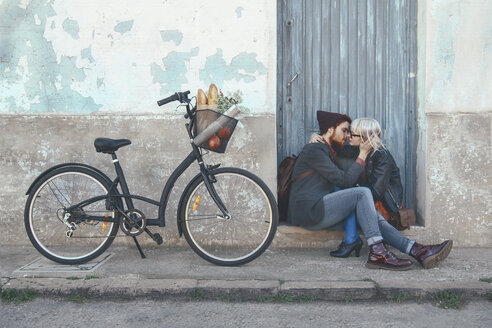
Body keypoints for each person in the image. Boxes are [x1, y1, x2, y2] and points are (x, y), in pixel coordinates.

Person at [288, 111, 452, 270]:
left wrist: (360, 152)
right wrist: (317, 136)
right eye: (345, 131)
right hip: (309, 211)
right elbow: (345, 179)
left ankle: (417, 251)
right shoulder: (316, 149)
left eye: (351, 133)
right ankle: (378, 251)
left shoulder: (336, 150)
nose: (347, 137)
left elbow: (366, 182)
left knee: (369, 208)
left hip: (324, 208)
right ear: (330, 130)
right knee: (362, 194)